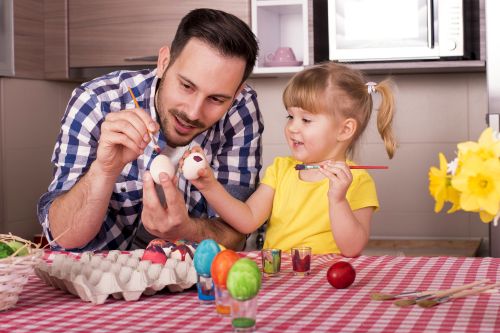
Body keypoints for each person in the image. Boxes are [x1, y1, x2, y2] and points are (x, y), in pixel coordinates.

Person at [37, 8, 263, 252]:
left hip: (190, 281)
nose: (194, 112)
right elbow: (63, 237)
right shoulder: (98, 101)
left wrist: (186, 230)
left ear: (236, 93)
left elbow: (237, 231)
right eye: (186, 86)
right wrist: (104, 170)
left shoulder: (240, 109)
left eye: (216, 99)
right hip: (95, 278)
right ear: (164, 62)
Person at [183, 62, 396, 256]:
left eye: (306, 119)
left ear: (344, 129)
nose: (293, 127)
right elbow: (247, 220)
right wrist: (208, 185)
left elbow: (352, 248)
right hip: (280, 278)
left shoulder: (358, 180)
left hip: (327, 282)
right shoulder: (281, 169)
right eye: (290, 116)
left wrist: (338, 200)